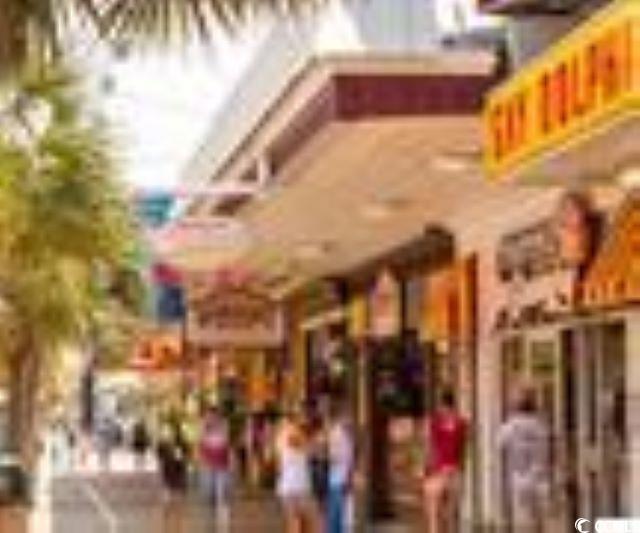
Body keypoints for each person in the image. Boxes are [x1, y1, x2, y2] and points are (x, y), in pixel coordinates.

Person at [498, 390, 550, 533]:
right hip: (539, 478)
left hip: (518, 477)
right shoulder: (540, 426)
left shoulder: (510, 426)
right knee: (539, 519)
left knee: (523, 520)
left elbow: (500, 446)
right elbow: (548, 449)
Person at [423, 388, 468, 533]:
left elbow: (429, 449)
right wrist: (459, 469)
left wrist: (426, 472)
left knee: (434, 517)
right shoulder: (462, 424)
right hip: (455, 472)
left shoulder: (433, 423)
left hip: (438, 472)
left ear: (441, 404)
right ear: (453, 403)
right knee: (453, 518)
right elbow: (463, 451)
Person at [276, 412, 320, 533]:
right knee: (307, 524)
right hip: (300, 486)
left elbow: (279, 464)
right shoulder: (297, 437)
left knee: (295, 523)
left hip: (287, 486)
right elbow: (313, 451)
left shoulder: (281, 438)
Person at [199, 407, 231, 530]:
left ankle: (223, 521)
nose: (210, 418)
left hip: (222, 464)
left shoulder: (223, 426)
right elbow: (201, 444)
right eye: (208, 416)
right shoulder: (204, 427)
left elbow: (226, 443)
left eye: (212, 415)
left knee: (221, 492)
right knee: (209, 492)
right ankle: (211, 519)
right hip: (208, 464)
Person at [156, 418, 190, 533]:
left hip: (178, 473)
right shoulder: (163, 444)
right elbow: (159, 455)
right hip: (169, 473)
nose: (168, 433)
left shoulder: (182, 443)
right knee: (168, 500)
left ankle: (178, 524)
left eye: (170, 431)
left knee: (177, 500)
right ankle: (166, 524)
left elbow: (186, 456)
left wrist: (181, 457)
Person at [326, 405, 354, 533]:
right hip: (339, 479)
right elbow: (335, 456)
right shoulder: (338, 434)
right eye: (348, 416)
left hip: (339, 479)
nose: (350, 419)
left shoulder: (343, 433)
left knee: (339, 516)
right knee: (339, 516)